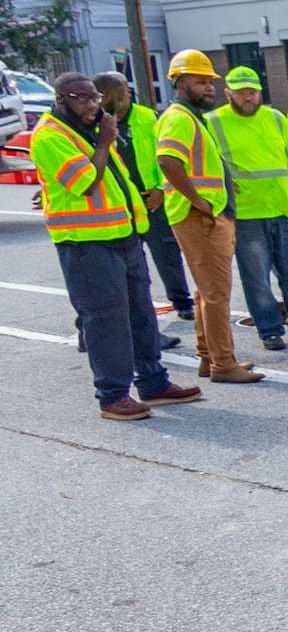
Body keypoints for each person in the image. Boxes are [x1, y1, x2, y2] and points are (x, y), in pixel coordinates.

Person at [31, 72, 203, 420]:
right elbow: (85, 182)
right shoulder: (50, 135)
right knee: (106, 321)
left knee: (141, 314)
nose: (92, 105)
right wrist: (105, 141)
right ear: (61, 100)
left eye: (94, 97)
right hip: (86, 243)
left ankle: (153, 382)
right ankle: (112, 395)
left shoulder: (90, 131)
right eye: (81, 98)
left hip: (123, 236)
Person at [207, 66, 288, 351]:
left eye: (252, 92)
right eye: (241, 93)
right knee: (257, 277)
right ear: (228, 93)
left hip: (280, 210)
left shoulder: (275, 118)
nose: (248, 98)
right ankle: (269, 330)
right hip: (245, 215)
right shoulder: (214, 122)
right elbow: (205, 164)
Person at [156, 49, 263, 383]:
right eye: (201, 82)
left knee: (206, 292)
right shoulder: (179, 118)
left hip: (204, 213)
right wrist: (200, 202)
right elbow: (168, 161)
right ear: (179, 82)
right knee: (217, 294)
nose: (209, 88)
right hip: (199, 217)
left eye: (209, 82)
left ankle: (209, 357)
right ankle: (223, 363)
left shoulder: (190, 117)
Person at [95, 70, 195, 332]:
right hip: (119, 202)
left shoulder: (146, 117)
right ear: (106, 96)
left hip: (150, 197)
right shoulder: (94, 122)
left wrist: (160, 189)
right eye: (121, 92)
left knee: (166, 251)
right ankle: (138, 309)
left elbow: (162, 156)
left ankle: (181, 301)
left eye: (127, 90)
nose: (127, 94)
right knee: (130, 262)